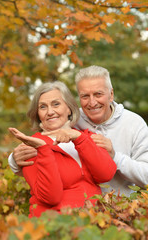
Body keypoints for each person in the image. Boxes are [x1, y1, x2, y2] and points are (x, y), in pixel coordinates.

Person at [9, 65, 148, 196]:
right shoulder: (71, 119)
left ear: (111, 95)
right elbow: (45, 151)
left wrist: (115, 157)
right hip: (83, 208)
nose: (92, 102)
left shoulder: (134, 124)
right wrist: (14, 160)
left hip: (122, 208)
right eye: (85, 96)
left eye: (98, 94)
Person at [8, 81, 116, 217]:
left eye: (56, 104)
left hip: (94, 221)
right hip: (56, 225)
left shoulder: (87, 137)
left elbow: (105, 174)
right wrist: (43, 149)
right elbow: (50, 197)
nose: (50, 112)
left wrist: (79, 139)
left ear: (69, 108)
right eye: (42, 107)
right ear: (37, 113)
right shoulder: (31, 146)